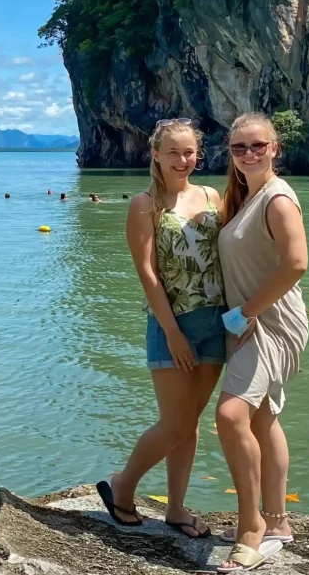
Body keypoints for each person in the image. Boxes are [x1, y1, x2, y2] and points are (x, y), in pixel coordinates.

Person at [96, 118, 225, 538]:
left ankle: (176, 508)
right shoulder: (144, 204)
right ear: (155, 154)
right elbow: (148, 275)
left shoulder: (212, 197)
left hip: (216, 322)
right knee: (174, 423)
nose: (183, 160)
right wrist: (172, 333)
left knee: (190, 423)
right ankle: (123, 484)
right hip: (173, 324)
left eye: (189, 152)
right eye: (173, 152)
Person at [213, 112, 309, 572]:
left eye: (258, 145)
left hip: (270, 323)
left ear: (275, 148)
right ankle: (278, 523)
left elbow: (296, 263)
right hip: (249, 323)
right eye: (239, 147)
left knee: (231, 415)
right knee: (263, 418)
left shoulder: (277, 198)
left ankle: (251, 527)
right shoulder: (246, 197)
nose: (248, 153)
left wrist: (246, 312)